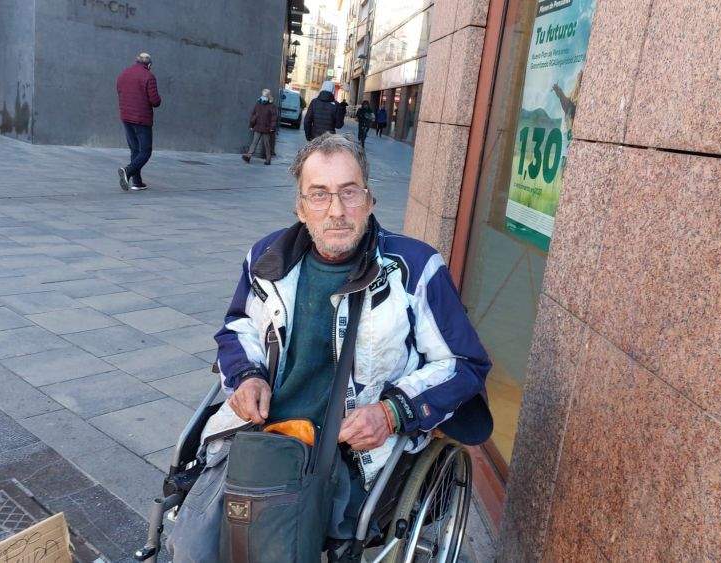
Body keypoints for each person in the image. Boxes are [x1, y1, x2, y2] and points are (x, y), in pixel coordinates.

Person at [166, 133, 491, 560]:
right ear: (301, 208)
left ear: (369, 200)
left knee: (277, 549)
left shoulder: (413, 268)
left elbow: (463, 363)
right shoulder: (266, 257)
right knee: (192, 549)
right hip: (262, 436)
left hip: (349, 455)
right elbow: (238, 326)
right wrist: (246, 377)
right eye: (319, 195)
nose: (336, 211)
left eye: (349, 192)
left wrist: (392, 413)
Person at [116, 52, 161, 191]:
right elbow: (155, 101)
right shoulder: (149, 76)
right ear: (149, 64)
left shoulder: (124, 73)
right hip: (141, 119)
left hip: (126, 117)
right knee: (145, 151)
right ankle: (127, 171)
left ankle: (137, 182)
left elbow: (119, 91)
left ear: (136, 61)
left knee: (135, 149)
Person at [242, 88, 277, 165]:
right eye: (263, 95)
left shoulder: (272, 106)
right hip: (258, 127)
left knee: (267, 144)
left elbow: (274, 118)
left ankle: (268, 159)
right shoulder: (258, 104)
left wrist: (272, 128)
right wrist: (251, 125)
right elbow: (254, 115)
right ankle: (248, 156)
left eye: (265, 95)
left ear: (268, 96)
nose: (263, 97)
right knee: (254, 142)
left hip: (266, 128)